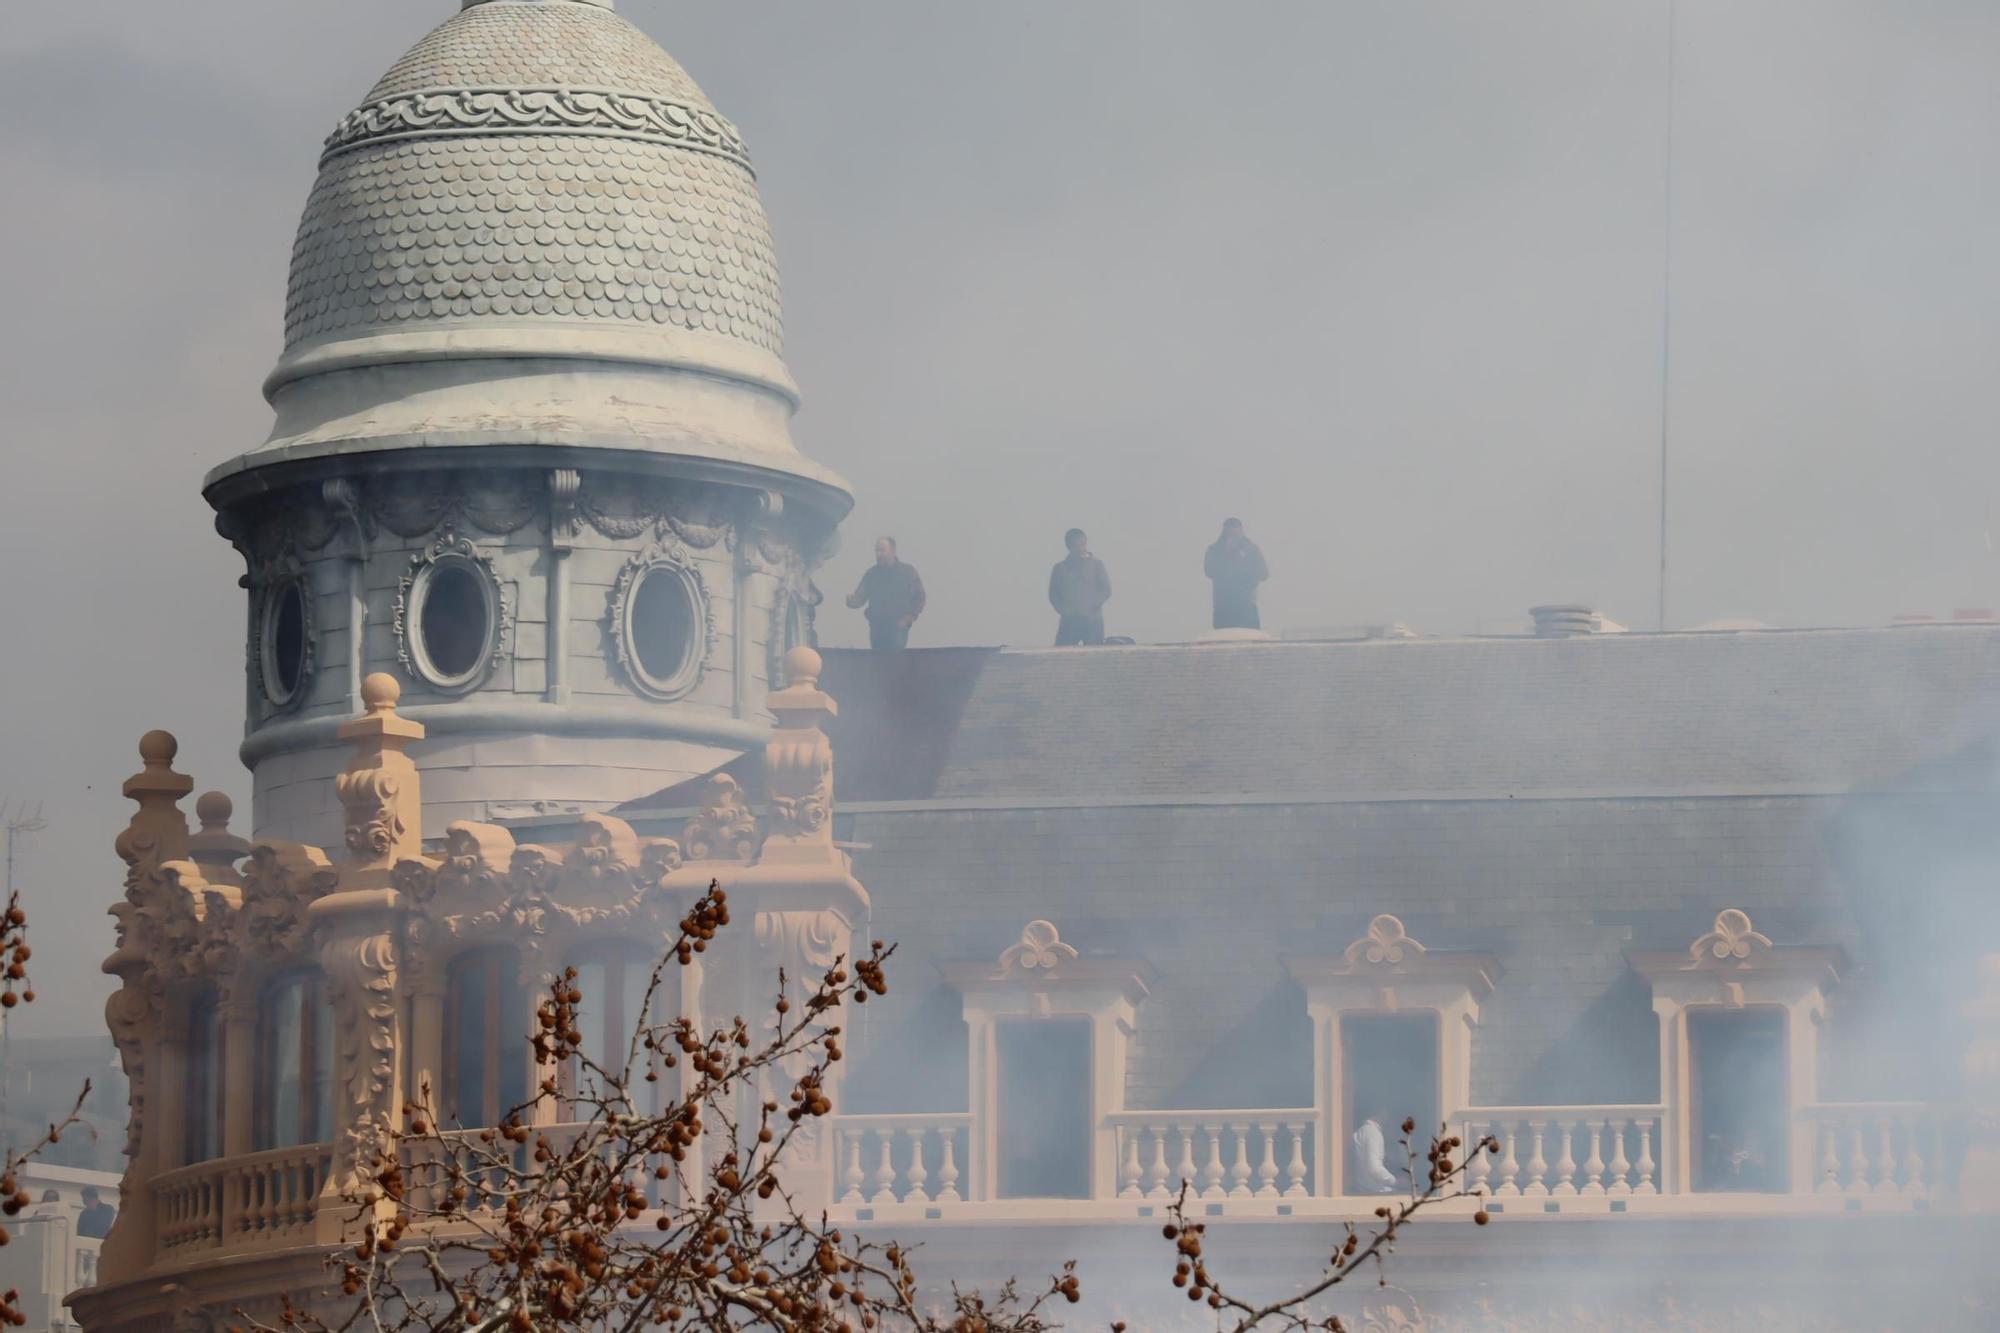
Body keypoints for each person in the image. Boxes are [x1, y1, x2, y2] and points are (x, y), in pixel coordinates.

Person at [845, 537, 925, 651]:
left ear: (892, 551)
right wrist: (851, 601)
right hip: (877, 628)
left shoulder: (907, 572)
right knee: (878, 661)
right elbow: (860, 597)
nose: (879, 554)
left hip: (898, 627)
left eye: (882, 550)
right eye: (877, 550)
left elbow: (919, 597)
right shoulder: (871, 574)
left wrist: (908, 618)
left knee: (894, 660)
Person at [1048, 528, 1112, 646]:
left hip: (1093, 622)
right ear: (1068, 546)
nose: (1080, 548)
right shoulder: (1060, 568)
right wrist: (1062, 609)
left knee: (1094, 658)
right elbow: (1053, 593)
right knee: (1062, 657)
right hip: (1069, 621)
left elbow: (1106, 590)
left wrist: (1092, 605)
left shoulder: (1096, 565)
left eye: (1082, 544)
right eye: (1076, 545)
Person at [1204, 517, 1269, 630]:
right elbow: (1209, 571)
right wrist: (1225, 555)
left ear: (1241, 532)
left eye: (1235, 533)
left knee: (1250, 639)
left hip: (1247, 604)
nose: (1233, 537)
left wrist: (1246, 565)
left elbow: (1264, 573)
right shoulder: (1215, 550)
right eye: (1229, 533)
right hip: (1223, 605)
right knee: (1223, 639)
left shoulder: (1251, 550)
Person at [1350, 1108, 1399, 1194]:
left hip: (1364, 1189)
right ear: (1382, 1112)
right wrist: (1396, 1182)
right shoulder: (1373, 1133)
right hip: (1375, 1191)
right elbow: (1375, 1168)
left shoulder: (1362, 1131)